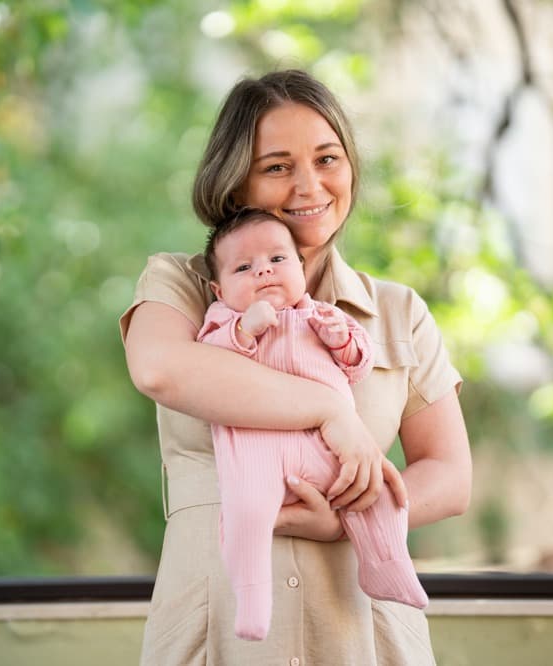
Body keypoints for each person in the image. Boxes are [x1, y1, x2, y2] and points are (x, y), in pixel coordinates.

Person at [121, 69, 471, 664]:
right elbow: (160, 370)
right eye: (278, 166)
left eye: (328, 158)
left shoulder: (396, 311)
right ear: (235, 184)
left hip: (362, 635)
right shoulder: (181, 284)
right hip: (218, 635)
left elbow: (450, 475)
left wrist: (342, 522)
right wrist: (331, 408)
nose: (310, 185)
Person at [199, 207, 428, 641]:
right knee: (246, 513)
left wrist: (341, 339)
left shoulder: (321, 315)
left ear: (301, 267)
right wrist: (244, 332)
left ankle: (388, 565)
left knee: (379, 491)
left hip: (327, 445)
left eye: (277, 260)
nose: (263, 271)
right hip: (257, 445)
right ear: (219, 288)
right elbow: (206, 364)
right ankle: (251, 599)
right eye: (244, 268)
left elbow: (360, 366)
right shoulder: (222, 320)